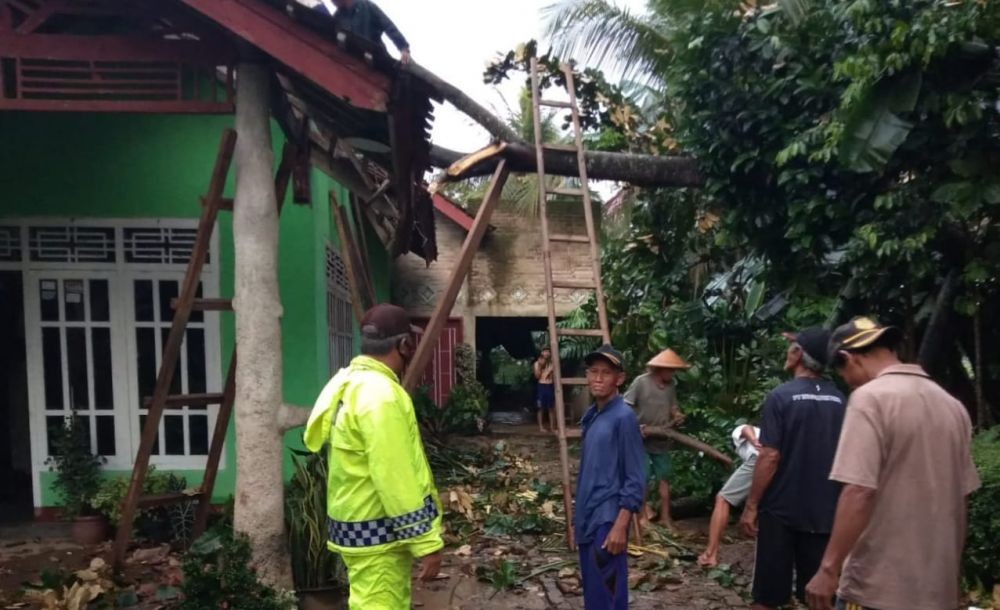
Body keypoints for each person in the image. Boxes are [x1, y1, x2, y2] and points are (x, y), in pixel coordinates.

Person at [805, 317, 981, 610]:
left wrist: (828, 569)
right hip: (938, 590)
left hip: (877, 588)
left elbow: (859, 491)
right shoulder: (952, 405)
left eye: (843, 374)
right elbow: (961, 499)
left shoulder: (870, 399)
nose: (847, 383)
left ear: (848, 358)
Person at [304, 304, 442, 609]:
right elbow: (395, 477)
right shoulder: (381, 396)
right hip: (380, 536)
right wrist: (426, 543)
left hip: (357, 527)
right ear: (404, 345)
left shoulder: (347, 382)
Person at [740, 327, 846, 610]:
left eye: (791, 347)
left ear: (799, 354)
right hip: (825, 511)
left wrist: (752, 505)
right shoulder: (841, 399)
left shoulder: (781, 397)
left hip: (781, 511)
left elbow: (770, 456)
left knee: (768, 595)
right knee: (819, 595)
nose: (787, 352)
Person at [575, 344, 647, 610]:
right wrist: (577, 521)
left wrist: (621, 524)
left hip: (607, 521)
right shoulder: (594, 416)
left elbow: (635, 475)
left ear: (620, 379)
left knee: (609, 596)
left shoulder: (624, 417)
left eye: (606, 373)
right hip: (589, 518)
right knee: (595, 596)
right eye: (593, 371)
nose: (598, 378)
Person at [623, 348, 688, 528]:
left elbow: (673, 406)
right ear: (659, 368)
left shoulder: (671, 385)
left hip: (662, 438)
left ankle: (666, 517)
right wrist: (635, 427)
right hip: (641, 438)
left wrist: (677, 415)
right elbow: (626, 406)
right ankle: (643, 516)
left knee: (664, 478)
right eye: (670, 370)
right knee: (643, 478)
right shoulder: (641, 382)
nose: (672, 373)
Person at [697, 423, 762, 567]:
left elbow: (745, 428)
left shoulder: (738, 435)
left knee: (722, 499)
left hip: (760, 457)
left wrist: (754, 441)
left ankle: (710, 554)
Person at [324, 0, 411, 64]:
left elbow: (388, 25)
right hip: (353, 62)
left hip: (377, 61)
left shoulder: (367, 6)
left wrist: (403, 48)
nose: (332, 2)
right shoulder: (337, 17)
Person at [533, 347, 556, 432]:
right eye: (544, 351)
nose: (546, 353)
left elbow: (554, 377)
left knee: (551, 407)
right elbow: (537, 376)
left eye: (548, 351)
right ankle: (541, 427)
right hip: (541, 386)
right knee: (540, 408)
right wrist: (540, 365)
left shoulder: (553, 363)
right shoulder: (536, 363)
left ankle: (552, 427)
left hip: (550, 386)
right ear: (541, 352)